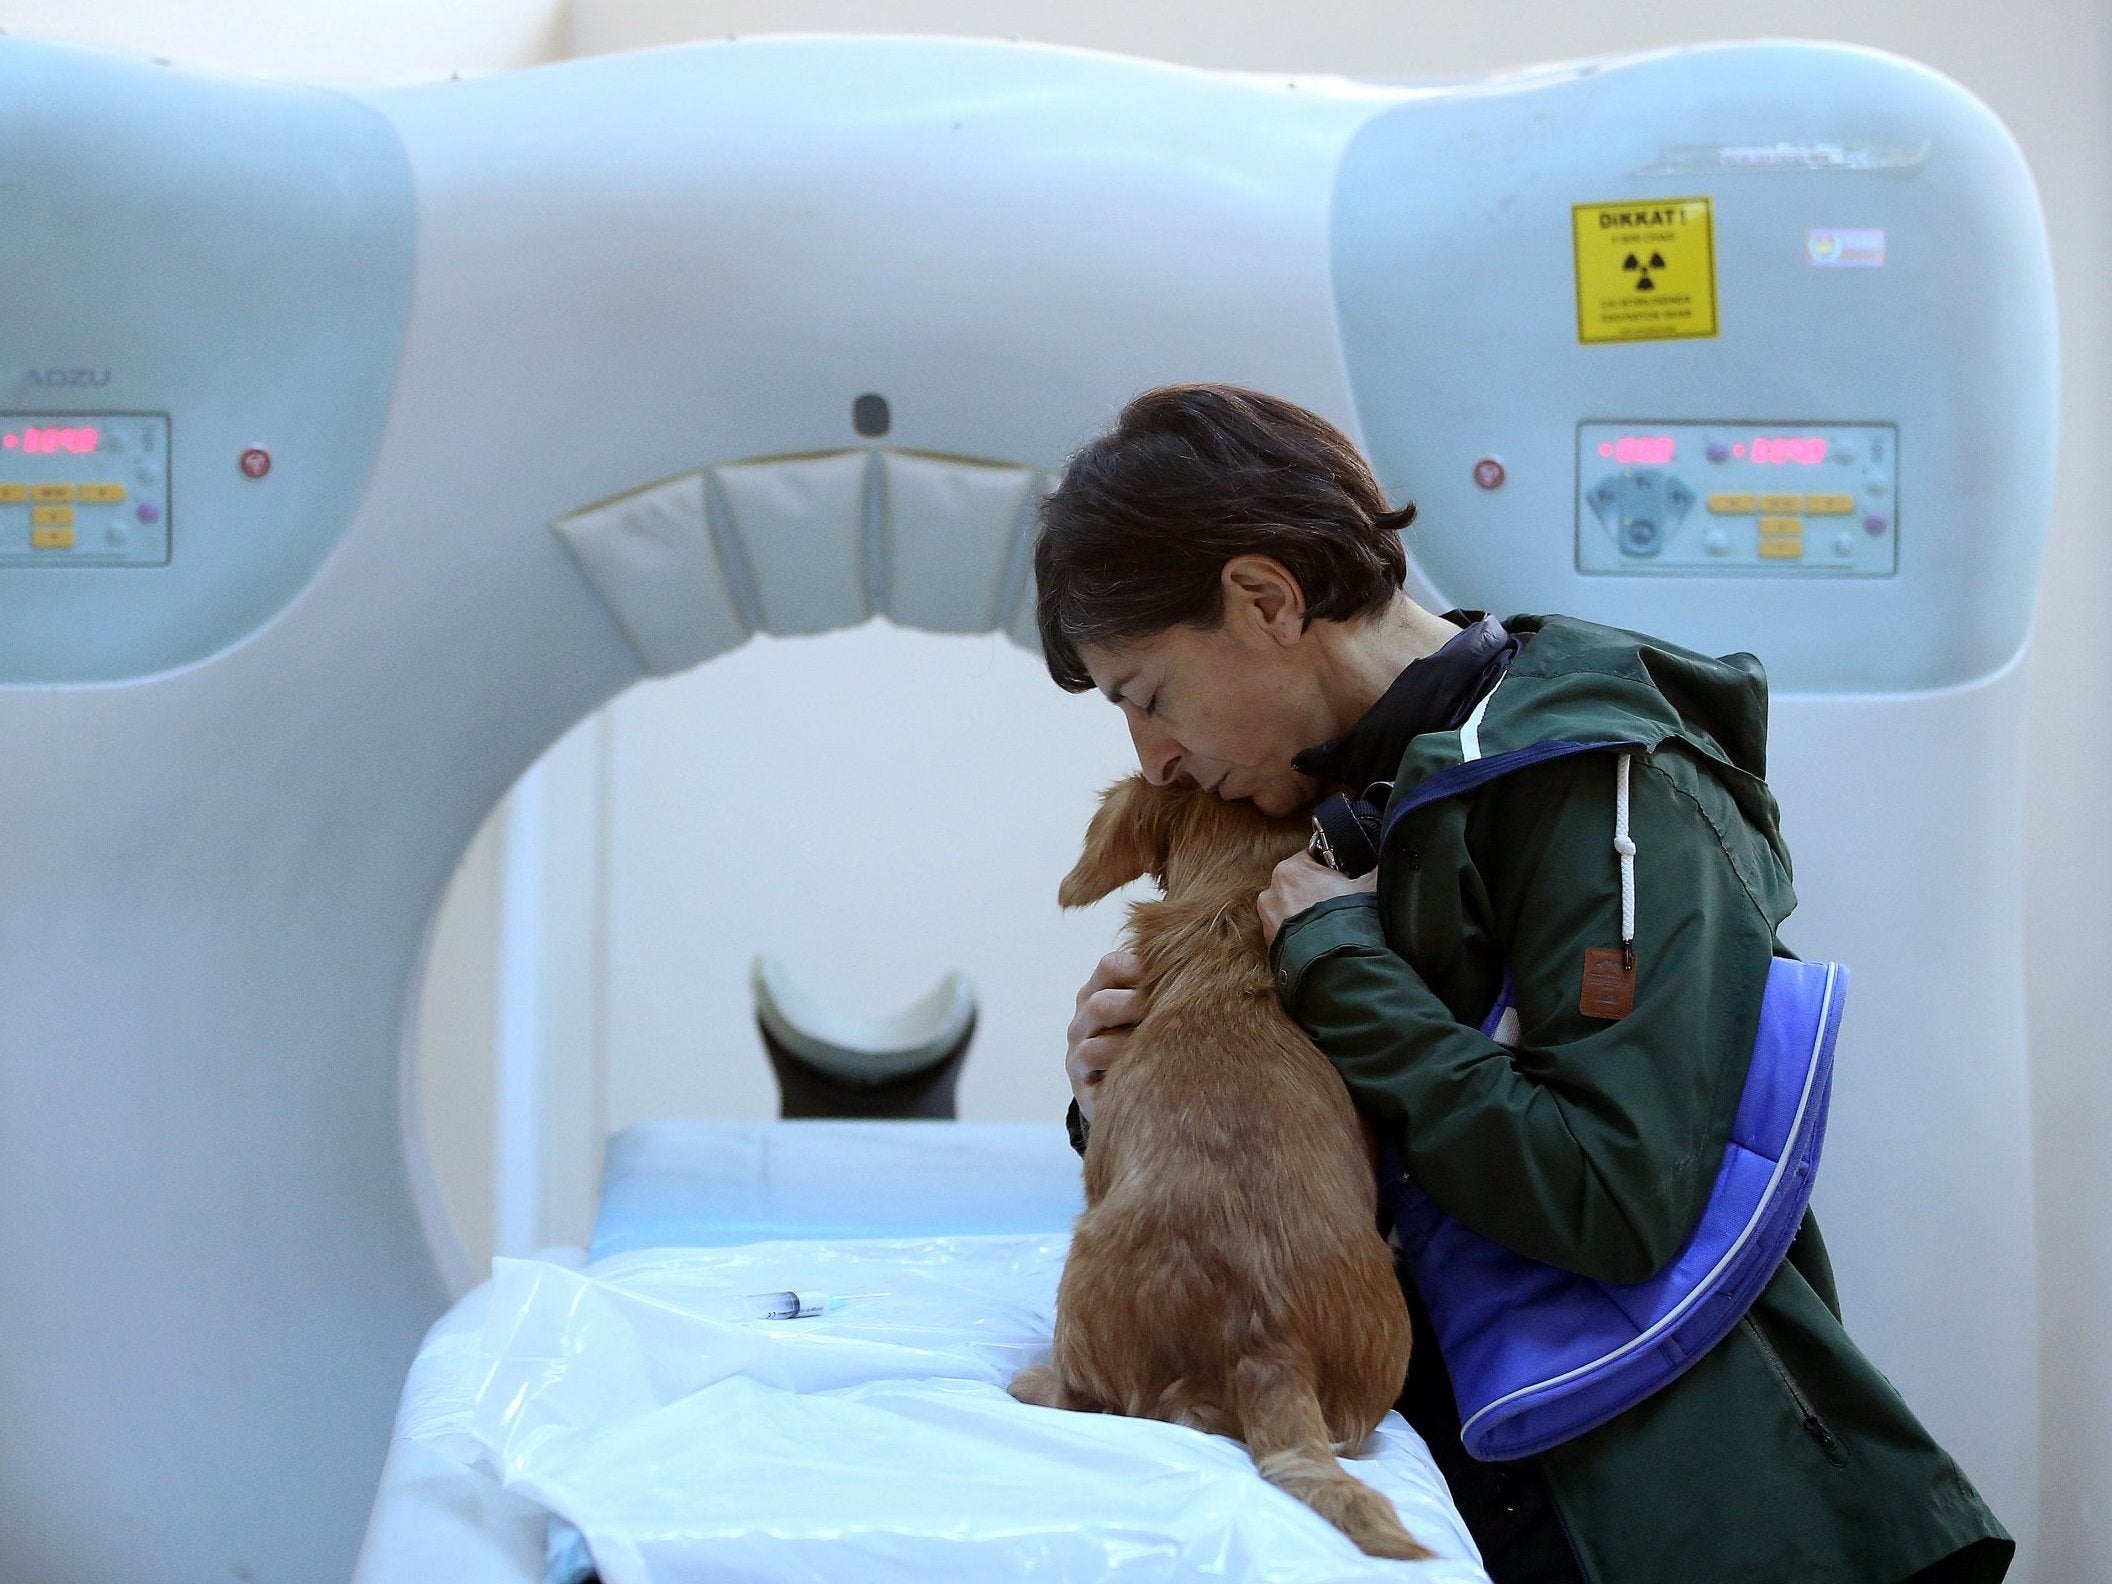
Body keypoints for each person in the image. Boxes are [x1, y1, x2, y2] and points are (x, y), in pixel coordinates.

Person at [1036, 383, 2012, 1584]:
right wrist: (1120, 1084)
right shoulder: (1335, 813)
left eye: (1147, 696)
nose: (1153, 757)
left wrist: (1340, 967)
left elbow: (1611, 1196)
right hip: (1460, 1489)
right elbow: (1323, 1167)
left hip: (1677, 1520)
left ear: (1264, 598)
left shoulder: (1604, 786)